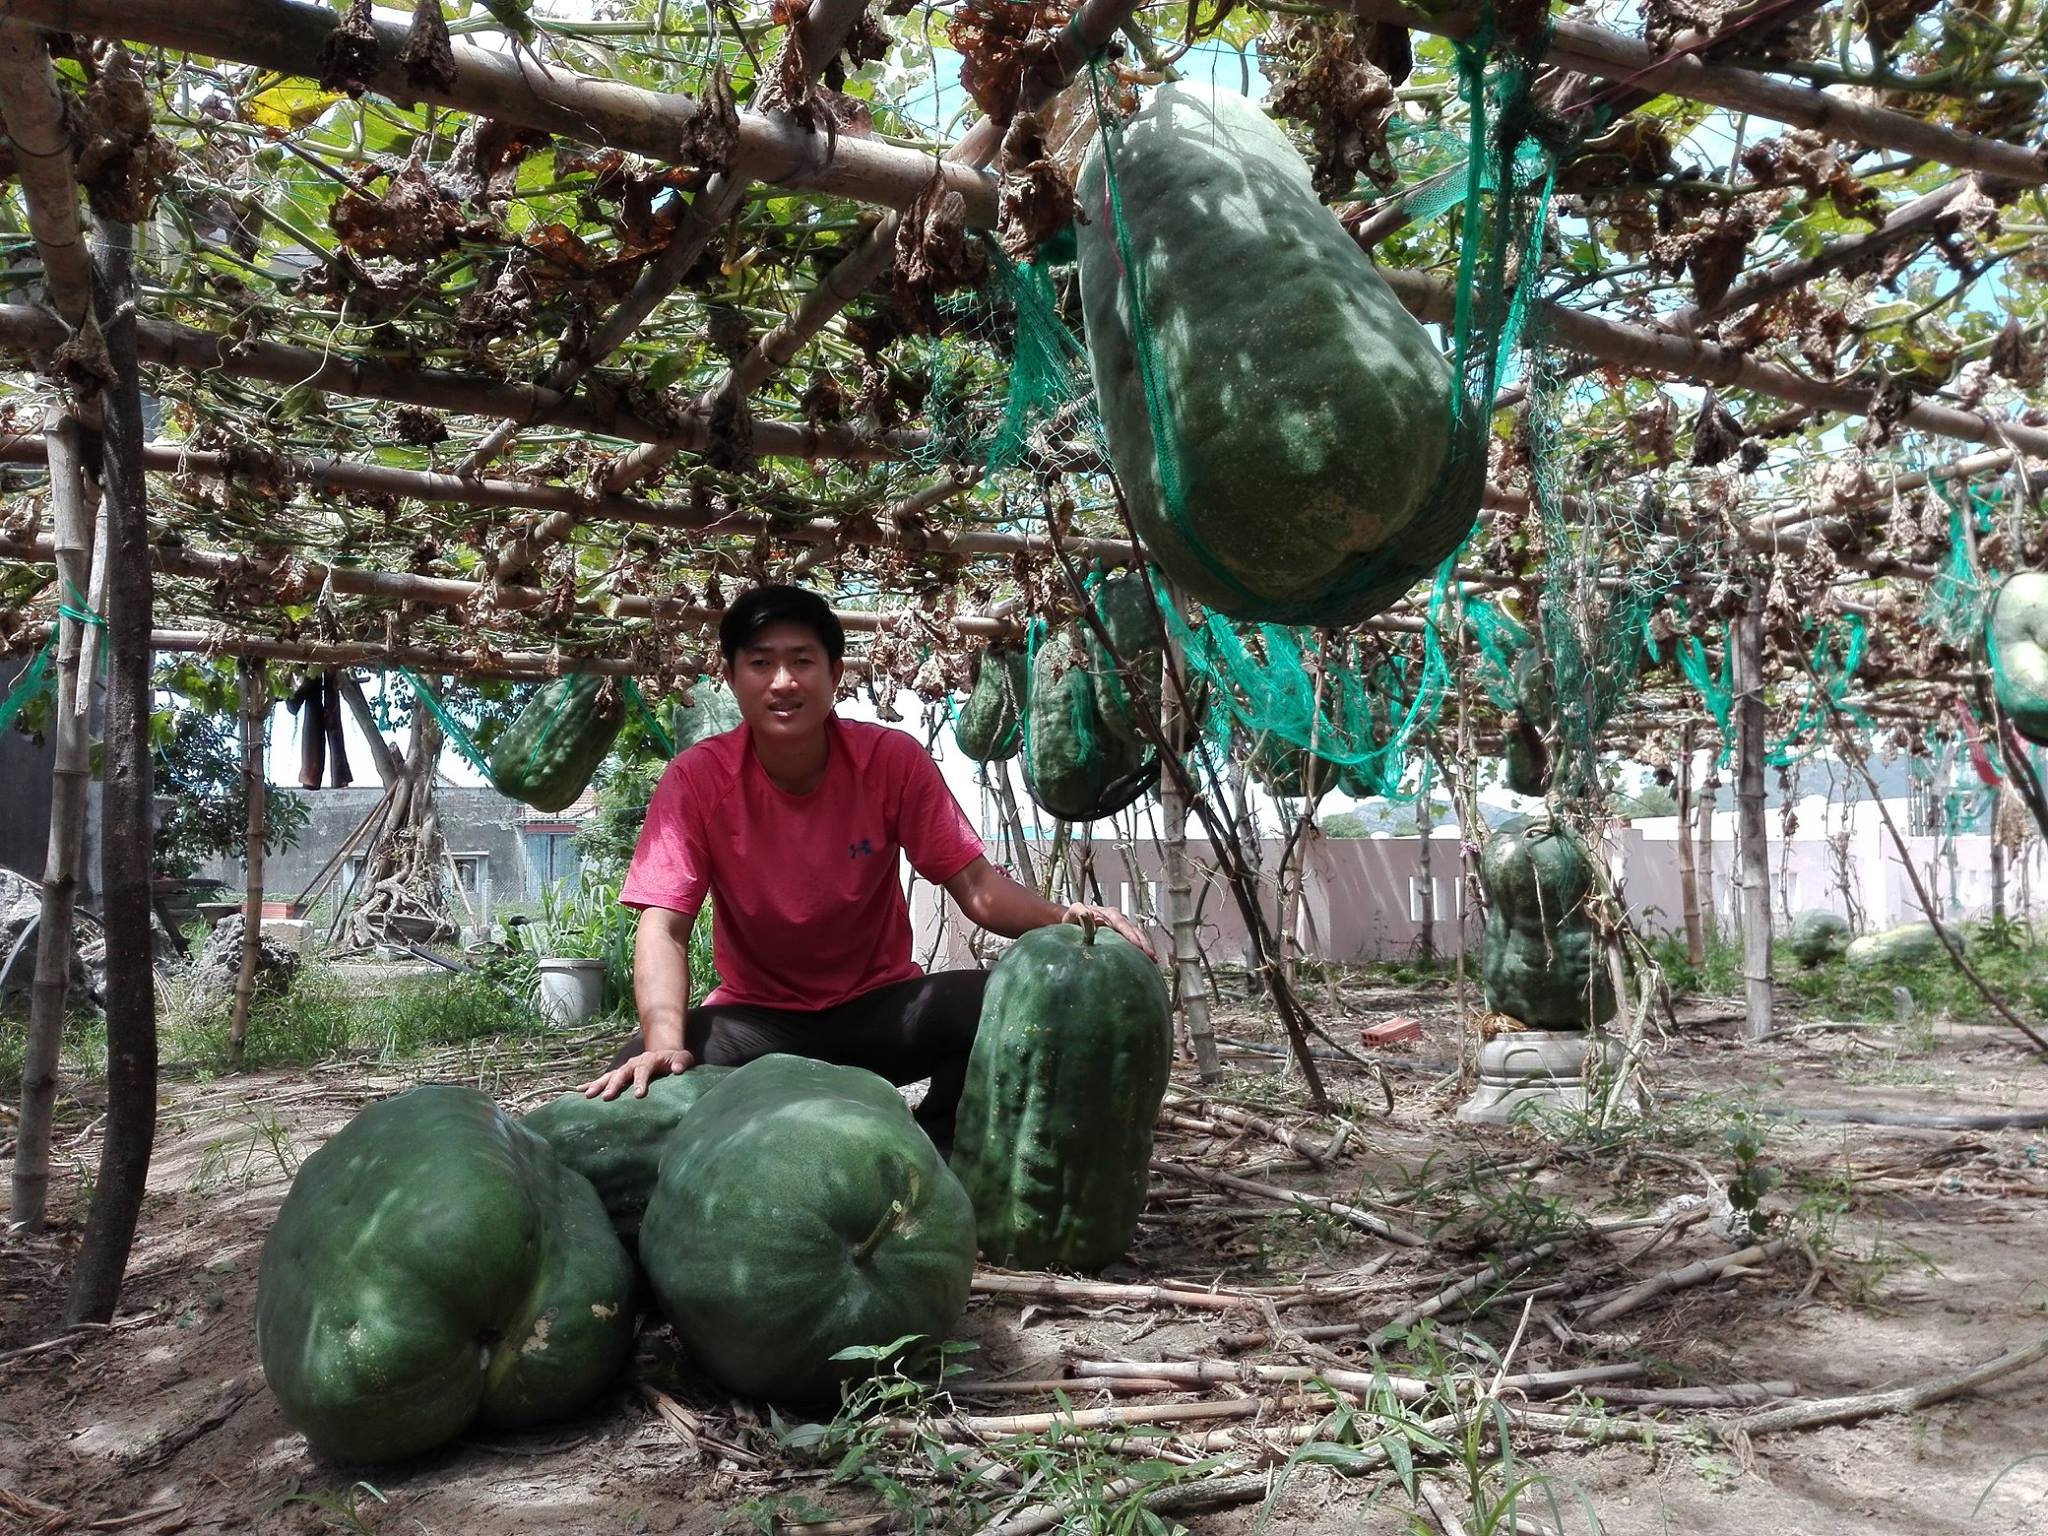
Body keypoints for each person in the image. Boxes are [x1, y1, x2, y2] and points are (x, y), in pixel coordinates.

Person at [581, 583, 1150, 1149]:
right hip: (758, 1022)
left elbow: (976, 888)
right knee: (640, 1077)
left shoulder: (890, 760)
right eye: (761, 663)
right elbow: (665, 925)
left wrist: (1065, 918)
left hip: (883, 1014)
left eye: (802, 661)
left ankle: (937, 1151)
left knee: (1007, 1003)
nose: (783, 682)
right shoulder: (696, 779)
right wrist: (662, 1040)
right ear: (731, 678)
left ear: (834, 675)